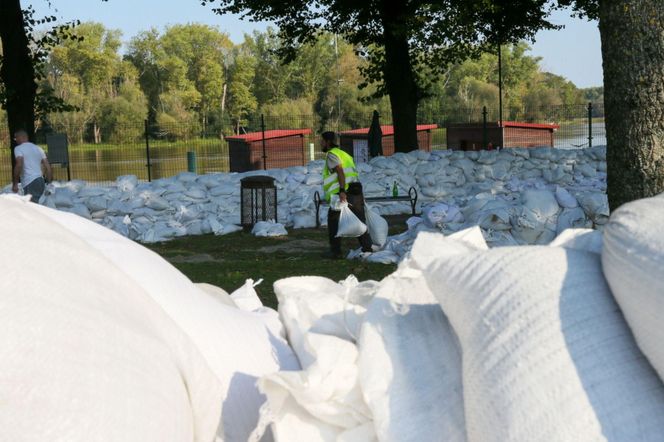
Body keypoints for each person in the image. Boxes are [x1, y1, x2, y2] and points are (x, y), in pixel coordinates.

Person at [321, 131, 372, 259]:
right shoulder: (345, 155)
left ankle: (336, 252)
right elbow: (353, 175)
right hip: (355, 191)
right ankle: (367, 249)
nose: (320, 143)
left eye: (322, 141)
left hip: (341, 194)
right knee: (359, 222)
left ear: (328, 142)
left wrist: (342, 191)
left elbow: (340, 172)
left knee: (333, 222)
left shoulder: (332, 154)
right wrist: (361, 195)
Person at [12, 129, 53, 202]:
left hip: (30, 182)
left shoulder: (18, 148)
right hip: (40, 181)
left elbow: (19, 165)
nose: (15, 140)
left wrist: (15, 183)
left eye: (16, 138)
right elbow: (48, 167)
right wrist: (49, 183)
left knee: (32, 208)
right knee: (33, 206)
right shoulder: (38, 148)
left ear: (21, 137)